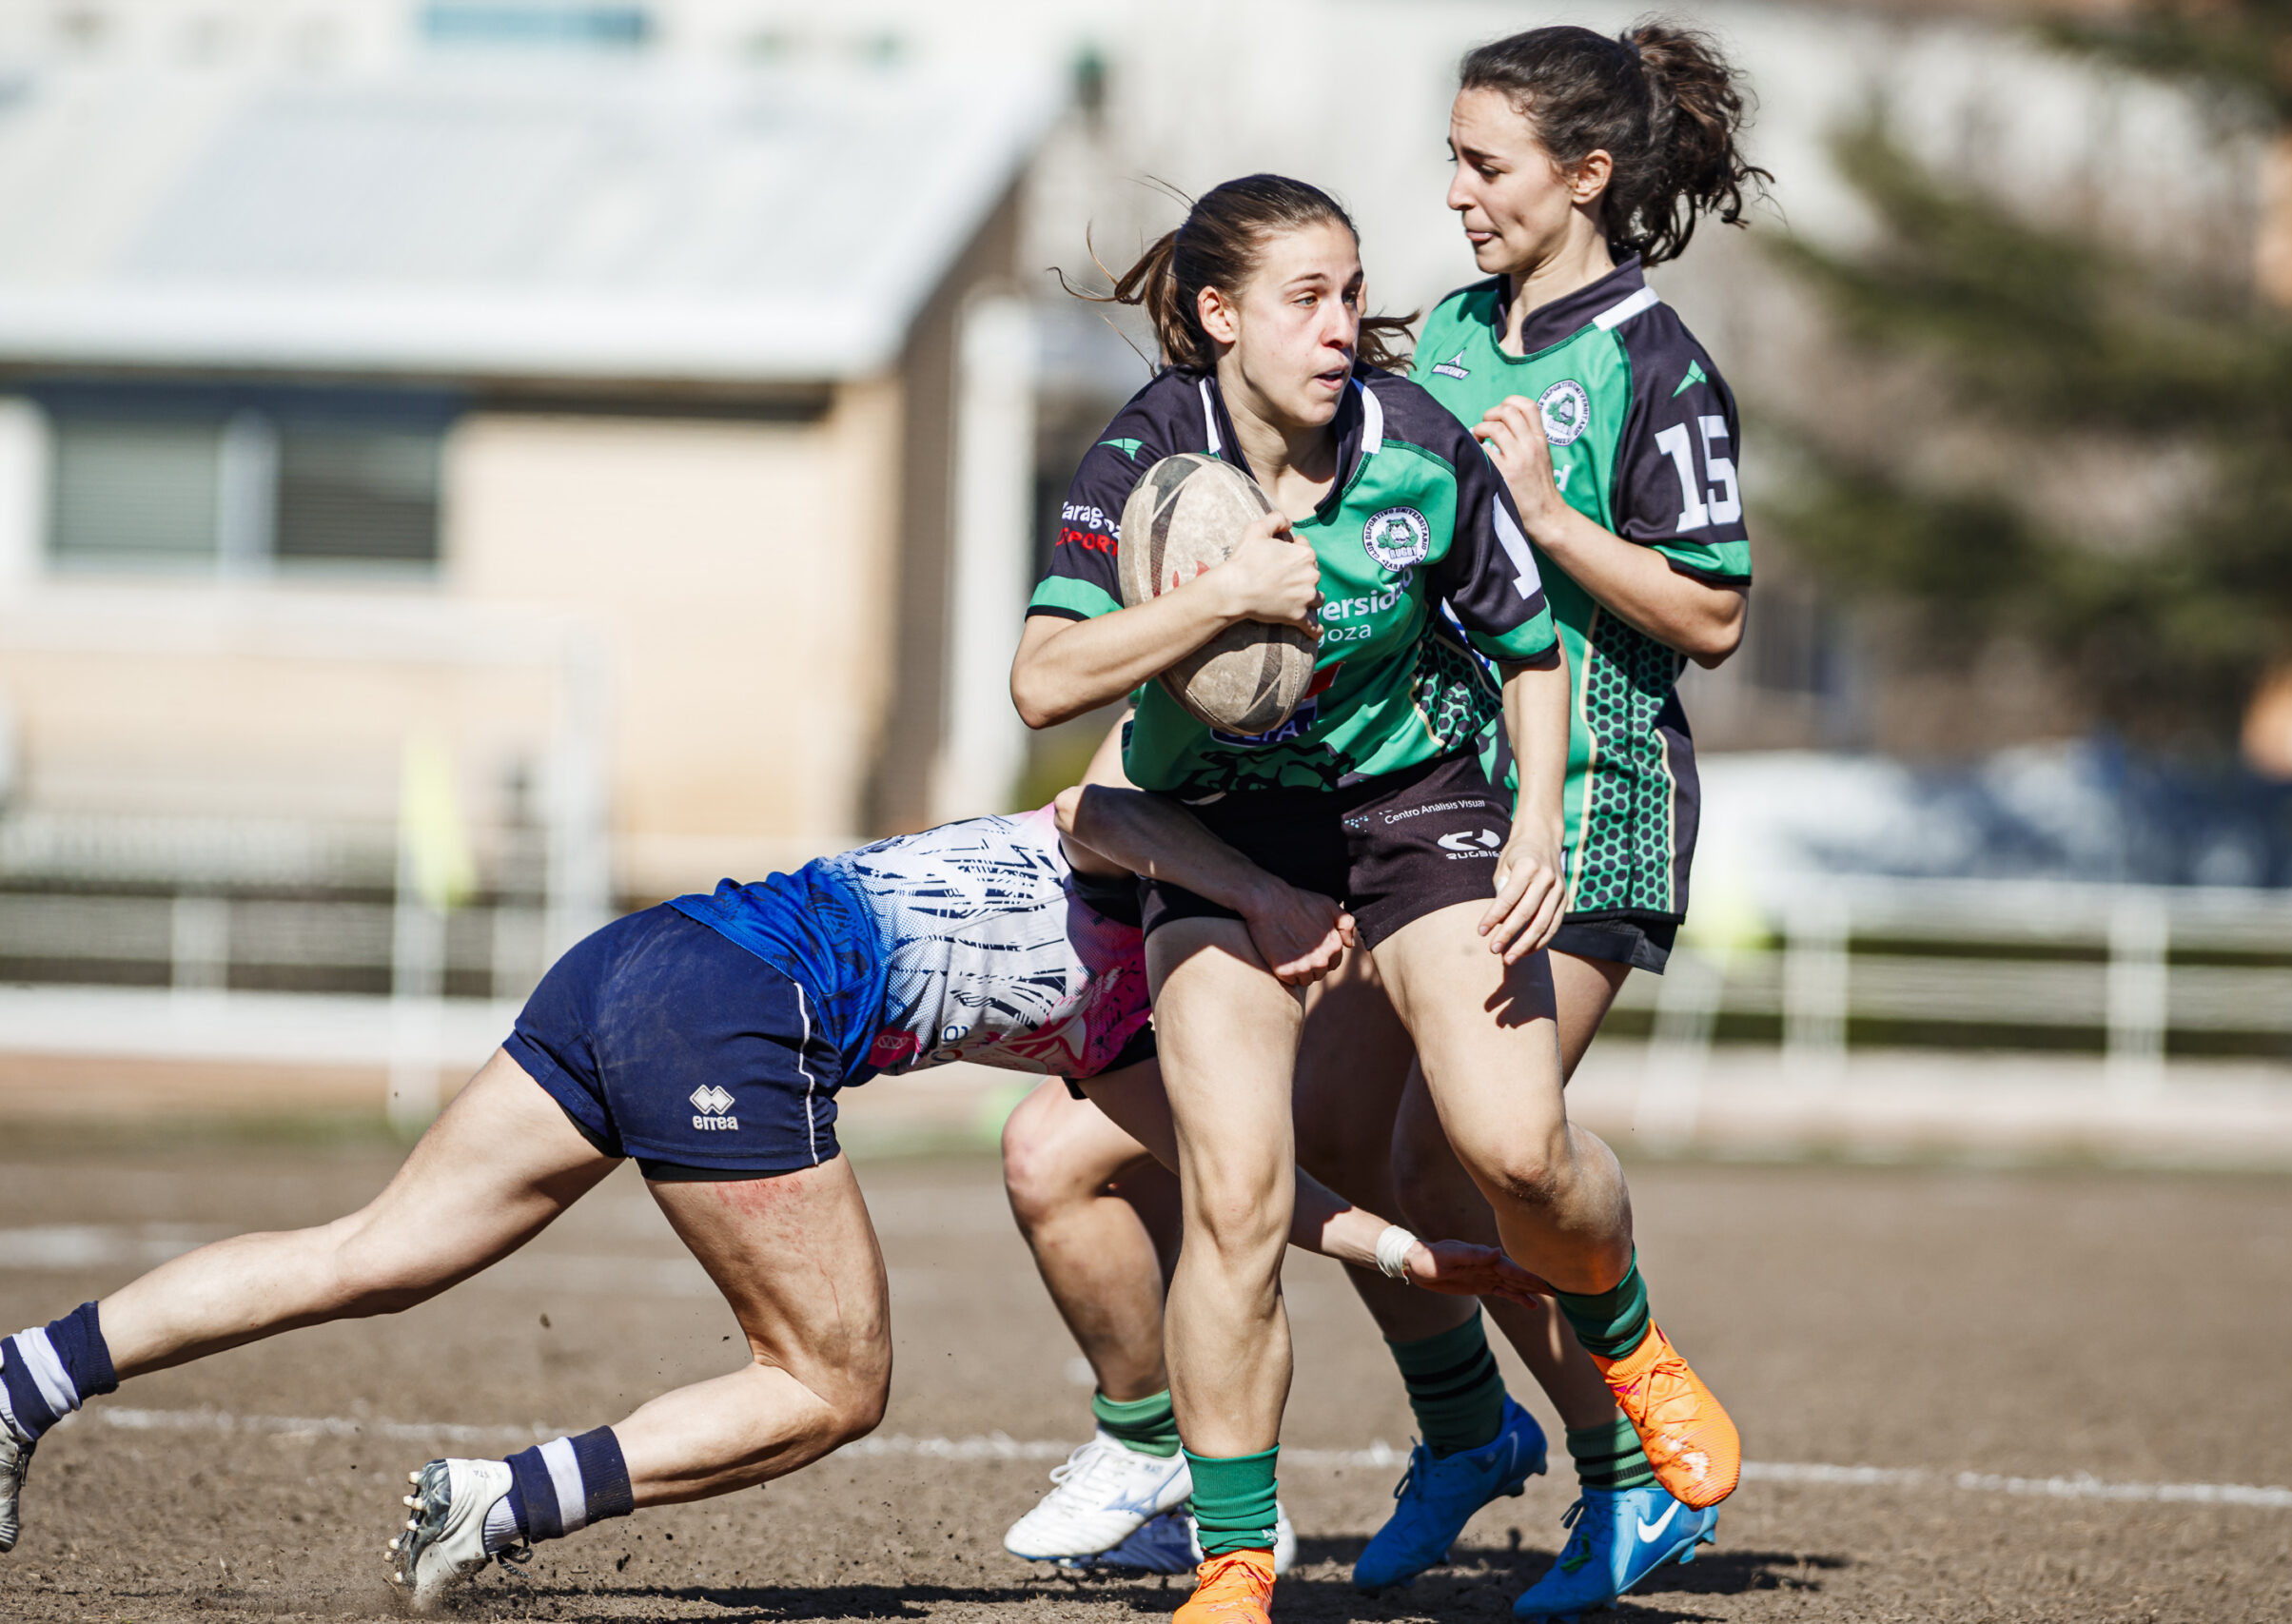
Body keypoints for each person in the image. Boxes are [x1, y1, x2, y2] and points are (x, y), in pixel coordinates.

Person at [0, 791, 1537, 1613]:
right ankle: (499, 1502)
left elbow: (1241, 1183)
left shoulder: (1153, 1036)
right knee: (833, 1381)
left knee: (376, 1254)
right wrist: (1269, 897)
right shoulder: (1168, 871)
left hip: (643, 958)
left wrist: (1399, 1242)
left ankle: (26, 1381)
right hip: (739, 1009)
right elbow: (1092, 809)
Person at [1012, 172, 1734, 1624]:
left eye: (1352, 290)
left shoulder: (1417, 444)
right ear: (1220, 319)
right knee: (1236, 1199)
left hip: (1423, 814)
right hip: (1227, 835)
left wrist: (1536, 824)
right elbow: (1041, 684)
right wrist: (1217, 604)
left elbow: (1529, 649)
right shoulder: (1151, 455)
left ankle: (1632, 1342)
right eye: (1306, 298)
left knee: (1513, 1147)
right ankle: (1231, 1562)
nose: (1346, 324)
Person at [1329, 22, 1769, 1615]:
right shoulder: (1443, 332)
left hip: (1593, 807)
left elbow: (1710, 618)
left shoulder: (1657, 365)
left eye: (1483, 163)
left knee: (1499, 1144)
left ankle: (1635, 1419)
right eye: (1451, 156)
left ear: (1585, 176)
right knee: (1379, 1170)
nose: (1453, 192)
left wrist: (1548, 515)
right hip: (1425, 809)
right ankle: (1484, 1443)